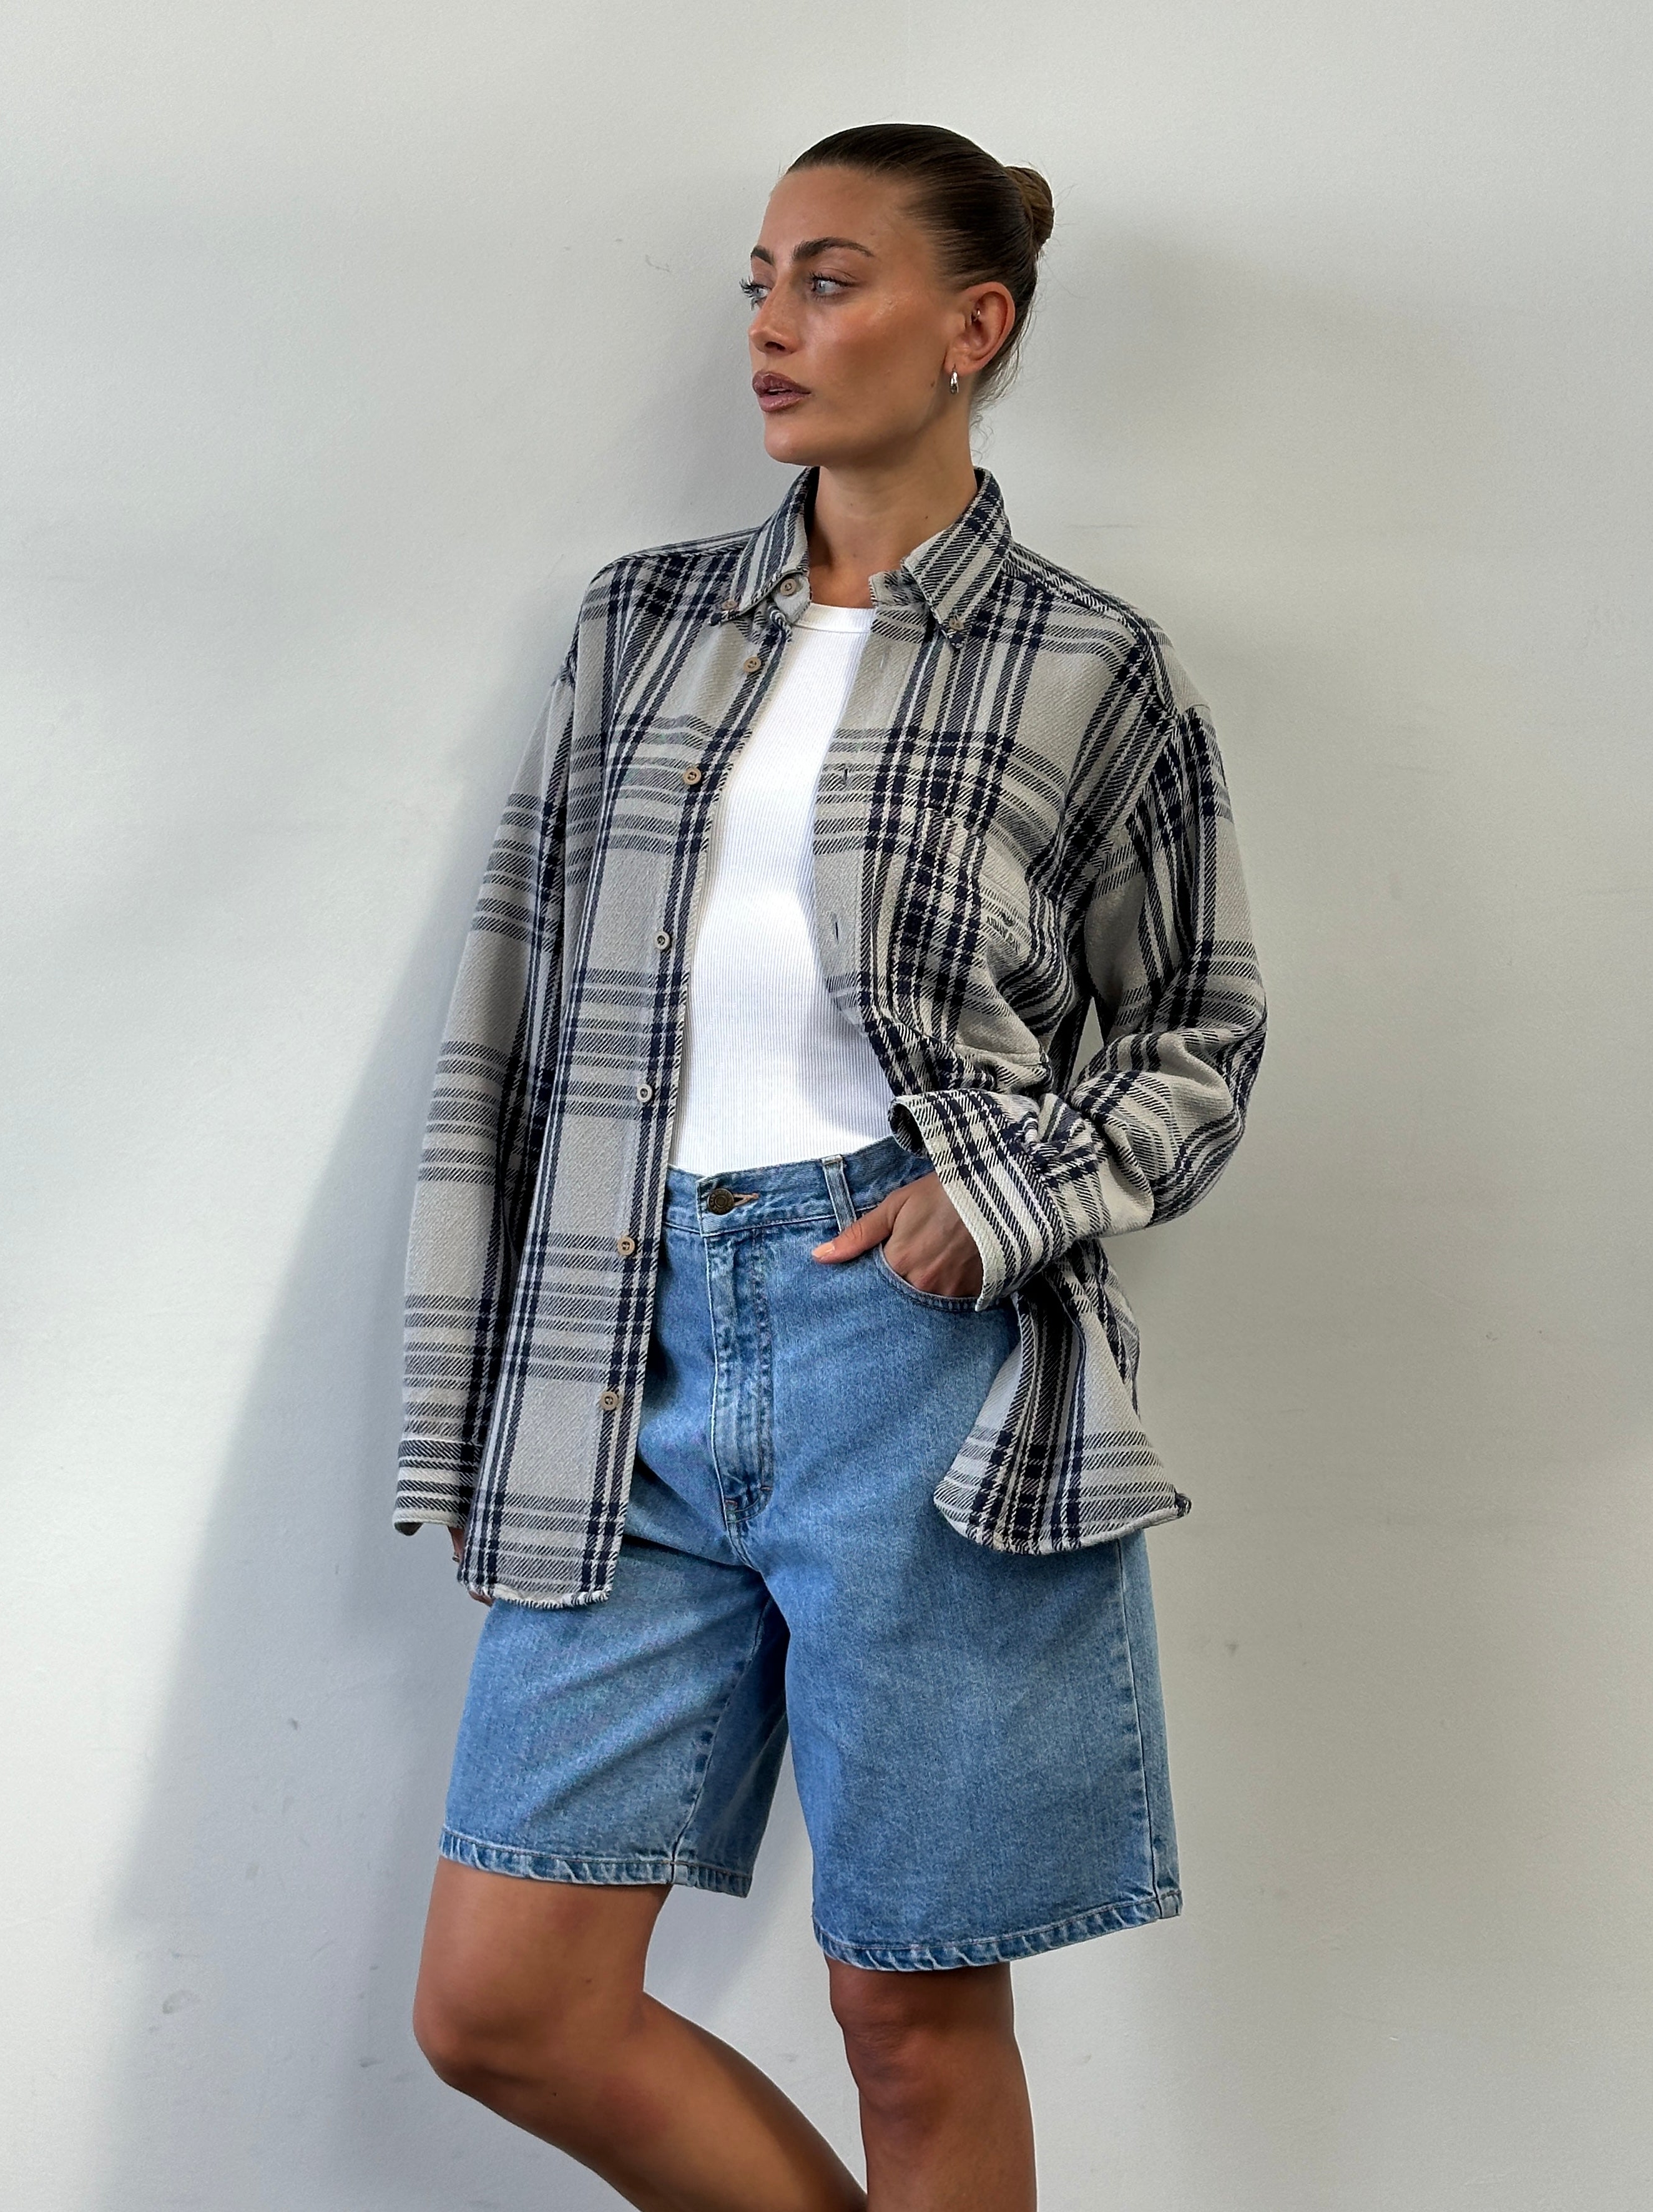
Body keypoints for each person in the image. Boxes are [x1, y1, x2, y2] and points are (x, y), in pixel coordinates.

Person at [397, 121, 1266, 2212]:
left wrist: (1001, 1202)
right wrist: (476, 1368)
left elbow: (1201, 1034)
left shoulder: (1088, 665)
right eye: (759, 284)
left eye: (831, 278)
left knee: (908, 2015)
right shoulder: (638, 625)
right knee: (505, 2003)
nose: (772, 328)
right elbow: (512, 1012)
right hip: (627, 1351)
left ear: (973, 326)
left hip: (917, 1356)